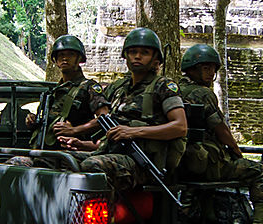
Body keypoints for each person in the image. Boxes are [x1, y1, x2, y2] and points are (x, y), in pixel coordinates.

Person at [178, 43, 263, 224]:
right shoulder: (203, 94)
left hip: (181, 161)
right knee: (259, 171)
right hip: (206, 162)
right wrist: (236, 149)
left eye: (213, 68)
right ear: (192, 69)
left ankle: (206, 219)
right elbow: (220, 129)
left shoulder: (174, 89)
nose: (210, 73)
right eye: (205, 68)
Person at [77, 28, 187, 191]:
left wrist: (133, 132)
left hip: (144, 162)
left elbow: (180, 127)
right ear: (125, 56)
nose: (137, 56)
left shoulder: (163, 86)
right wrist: (76, 135)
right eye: (133, 52)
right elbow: (101, 117)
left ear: (155, 59)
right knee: (56, 160)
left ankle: (105, 215)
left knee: (92, 166)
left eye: (145, 52)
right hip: (110, 152)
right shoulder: (119, 87)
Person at [8, 35, 109, 166]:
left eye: (70, 54)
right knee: (12, 166)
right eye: (61, 55)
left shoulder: (89, 87)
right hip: (45, 151)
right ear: (55, 60)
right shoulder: (53, 92)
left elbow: (105, 118)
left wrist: (75, 130)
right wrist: (33, 120)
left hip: (71, 153)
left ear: (79, 59)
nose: (65, 58)